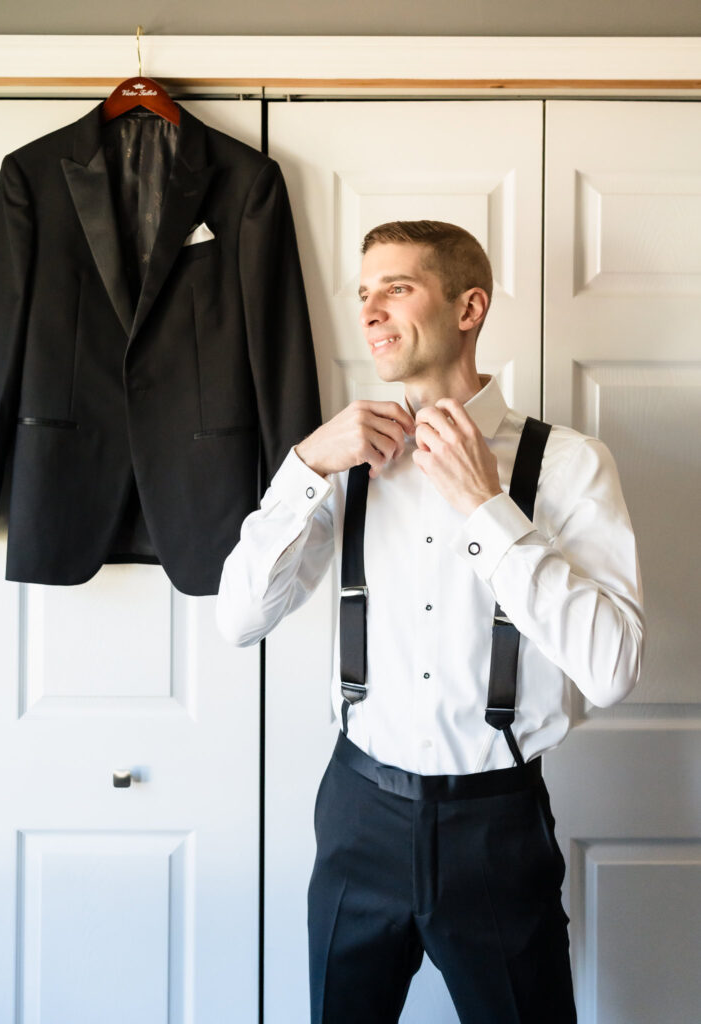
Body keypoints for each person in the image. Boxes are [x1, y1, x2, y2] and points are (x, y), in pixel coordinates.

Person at [216, 220, 644, 1024]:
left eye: (397, 287)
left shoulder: (568, 464)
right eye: (363, 293)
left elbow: (613, 668)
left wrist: (489, 509)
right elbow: (237, 617)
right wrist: (304, 467)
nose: (371, 309)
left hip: (497, 826)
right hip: (355, 812)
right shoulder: (336, 462)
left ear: (467, 307)